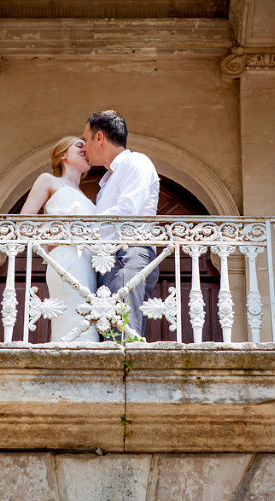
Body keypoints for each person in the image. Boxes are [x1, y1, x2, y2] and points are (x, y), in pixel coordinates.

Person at [81, 110, 160, 338]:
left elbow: (127, 212)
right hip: (109, 259)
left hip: (127, 255)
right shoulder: (107, 181)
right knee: (110, 334)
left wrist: (82, 230)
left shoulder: (136, 162)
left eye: (86, 139)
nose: (84, 147)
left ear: (99, 137)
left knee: (122, 335)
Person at [20, 137, 98, 342]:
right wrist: (57, 234)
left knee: (88, 316)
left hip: (90, 262)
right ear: (62, 154)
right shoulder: (48, 180)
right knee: (71, 316)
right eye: (79, 146)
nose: (85, 149)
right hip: (65, 257)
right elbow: (23, 223)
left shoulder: (87, 197)